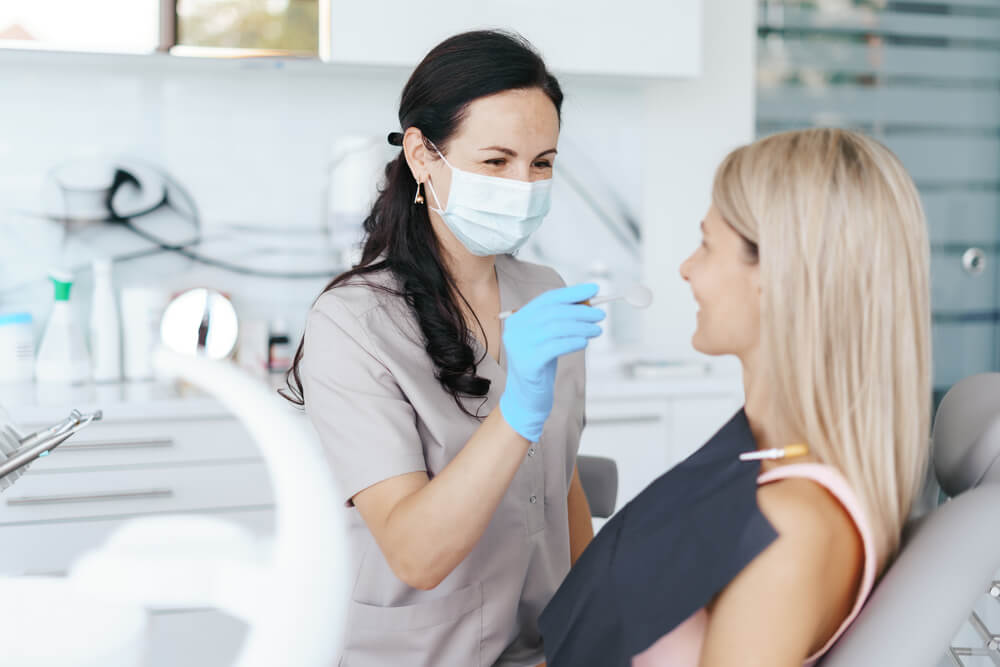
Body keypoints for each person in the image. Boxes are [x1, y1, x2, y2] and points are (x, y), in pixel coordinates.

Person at [541, 128, 931, 667]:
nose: (686, 268)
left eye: (706, 243)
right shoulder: (764, 451)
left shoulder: (794, 526)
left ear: (774, 275)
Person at [283, 30, 604, 667]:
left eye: (542, 162)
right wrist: (518, 412)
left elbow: (562, 487)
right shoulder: (355, 322)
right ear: (424, 156)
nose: (524, 184)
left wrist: (599, 619)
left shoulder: (544, 293)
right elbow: (416, 553)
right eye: (496, 161)